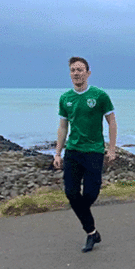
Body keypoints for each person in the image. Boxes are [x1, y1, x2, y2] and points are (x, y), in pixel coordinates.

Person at [53, 56, 117, 252]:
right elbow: (63, 127)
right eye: (73, 70)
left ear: (88, 73)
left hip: (94, 152)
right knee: (71, 193)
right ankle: (91, 232)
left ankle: (90, 229)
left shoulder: (99, 96)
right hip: (73, 151)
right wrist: (57, 153)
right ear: (70, 73)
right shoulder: (65, 98)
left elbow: (111, 122)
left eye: (80, 69)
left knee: (90, 194)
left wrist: (112, 148)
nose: (76, 73)